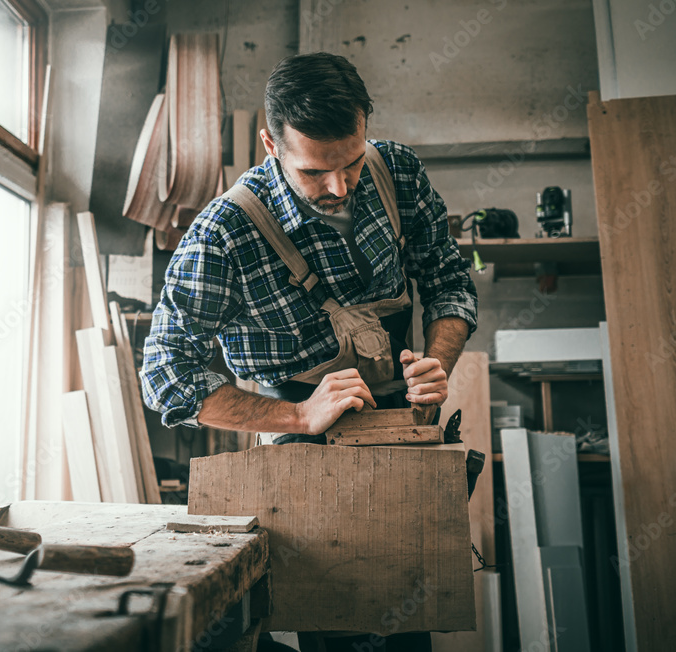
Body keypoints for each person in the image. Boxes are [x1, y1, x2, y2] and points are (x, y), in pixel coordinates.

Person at [141, 52, 478, 651]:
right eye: (314, 172)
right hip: (303, 451)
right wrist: (298, 416)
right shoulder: (222, 235)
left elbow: (449, 280)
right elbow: (166, 376)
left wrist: (438, 361)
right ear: (271, 143)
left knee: (407, 622)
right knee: (340, 622)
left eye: (350, 163)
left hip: (404, 429)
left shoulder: (396, 169)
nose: (339, 187)